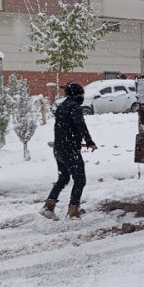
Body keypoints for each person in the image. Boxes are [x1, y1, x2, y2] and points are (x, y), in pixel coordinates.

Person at [42, 82, 97, 219]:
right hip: (70, 150)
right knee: (80, 180)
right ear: (77, 94)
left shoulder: (62, 106)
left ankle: (48, 206)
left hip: (59, 149)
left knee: (64, 178)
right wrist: (89, 141)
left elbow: (64, 127)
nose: (83, 97)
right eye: (82, 94)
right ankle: (73, 211)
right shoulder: (75, 107)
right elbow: (80, 125)